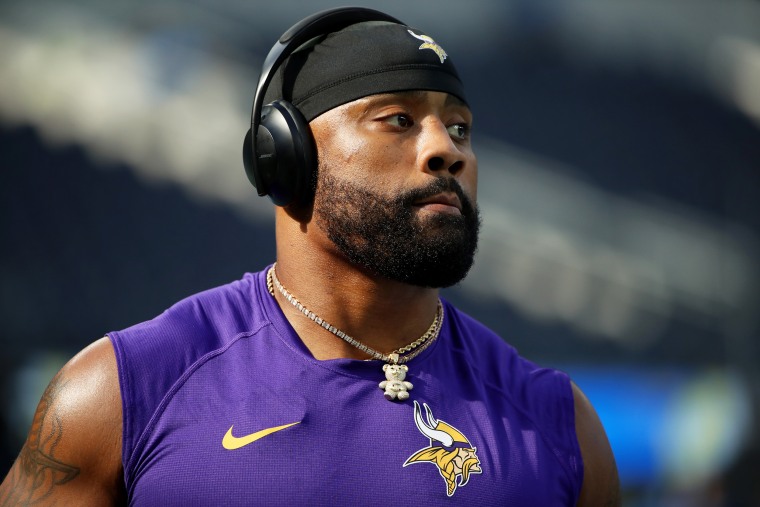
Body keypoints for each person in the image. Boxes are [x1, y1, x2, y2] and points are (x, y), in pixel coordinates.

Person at [0, 7, 620, 506]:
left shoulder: (557, 423)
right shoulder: (120, 393)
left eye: (459, 128)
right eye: (399, 119)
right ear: (286, 157)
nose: (446, 150)